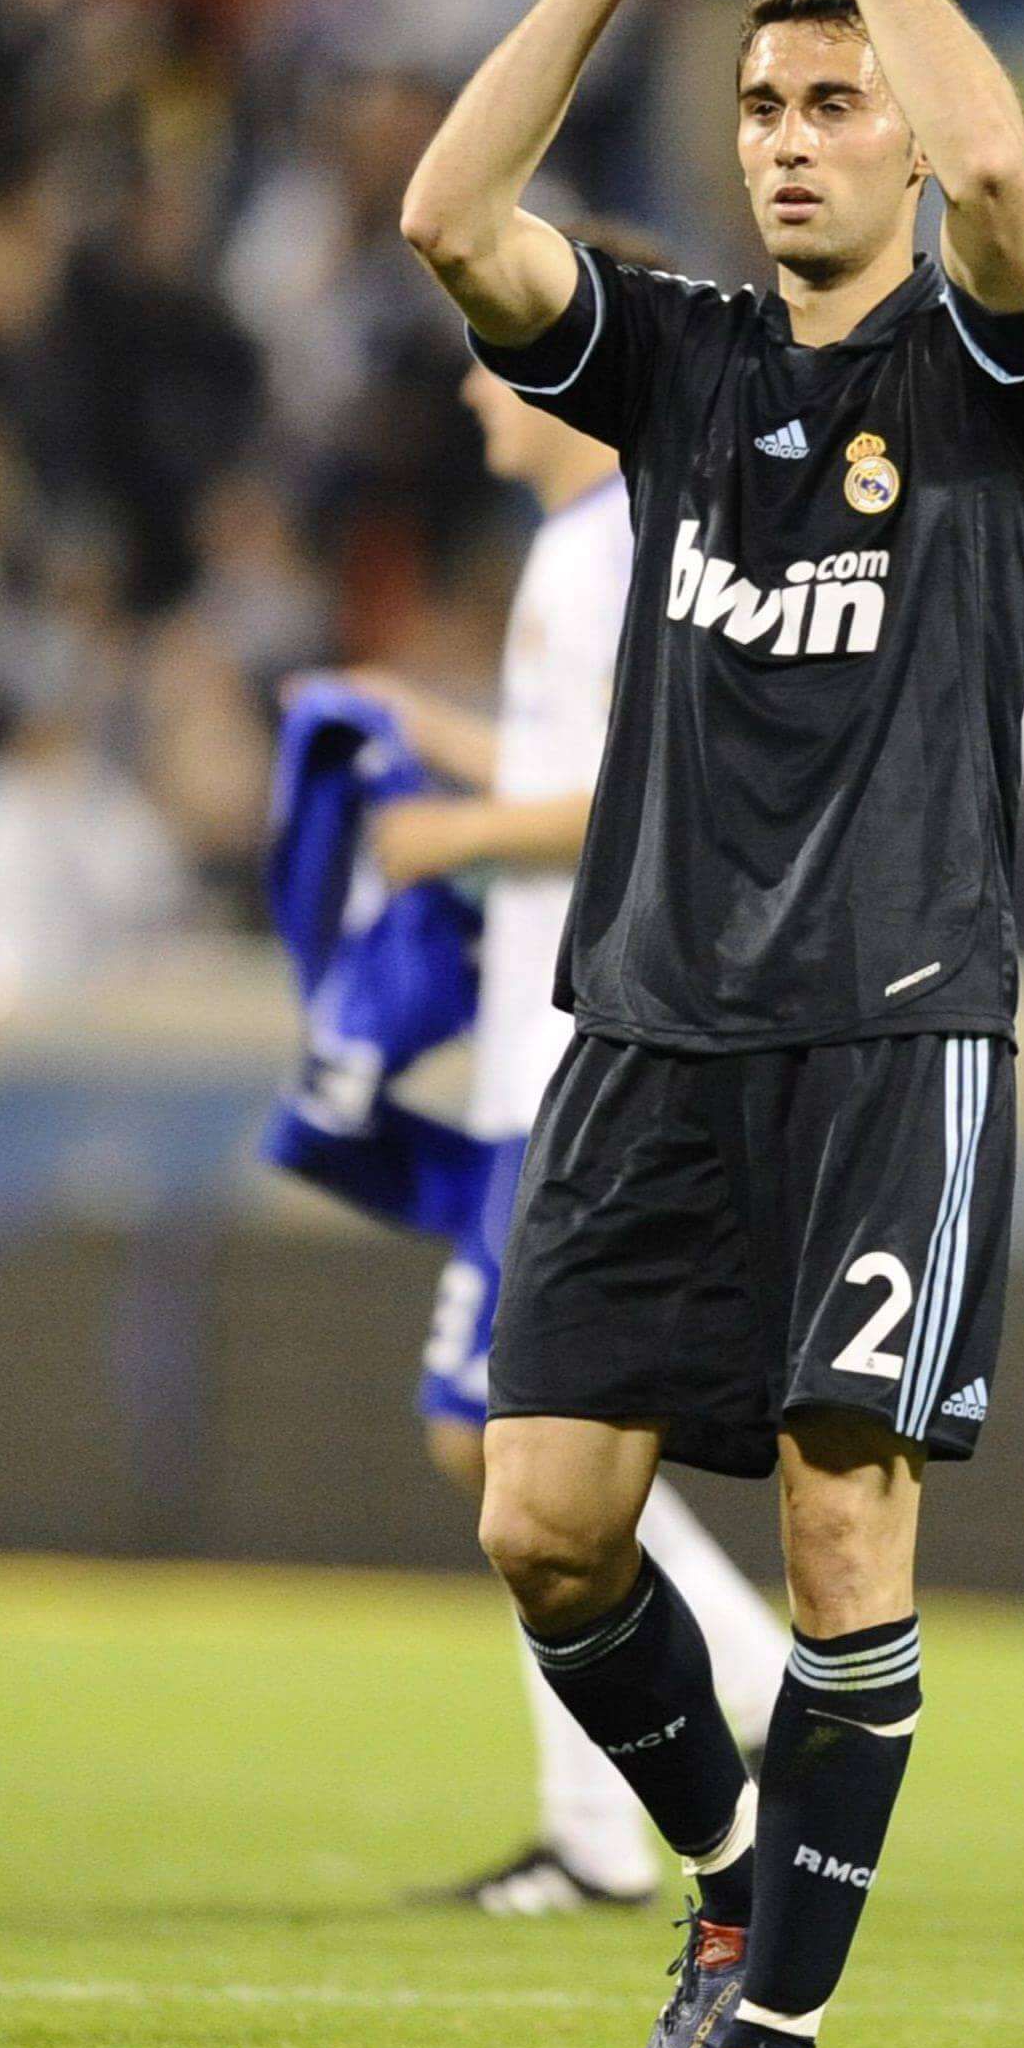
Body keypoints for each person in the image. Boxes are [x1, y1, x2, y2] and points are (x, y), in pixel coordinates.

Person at [395, 0, 1024, 2048]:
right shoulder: (683, 368)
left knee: (834, 1522)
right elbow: (448, 221)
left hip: (890, 1027)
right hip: (650, 1025)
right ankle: (730, 1880)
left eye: (835, 102)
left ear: (902, 124)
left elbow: (1017, 193)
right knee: (543, 1519)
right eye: (768, 107)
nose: (795, 138)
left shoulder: (1004, 385)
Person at [304, 349, 792, 1914]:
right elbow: (570, 768)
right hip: (539, 1049)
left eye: (500, 361)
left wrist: (446, 826)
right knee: (508, 1440)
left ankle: (708, 1719)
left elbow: (640, 796)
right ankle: (650, 1766)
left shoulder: (617, 555)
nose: (468, 392)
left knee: (509, 1432)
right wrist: (426, 730)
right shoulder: (588, 550)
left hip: (580, 1049)